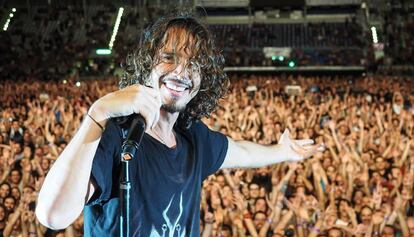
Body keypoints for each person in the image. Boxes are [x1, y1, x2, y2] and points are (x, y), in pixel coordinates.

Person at [35, 12, 321, 236]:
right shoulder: (117, 135)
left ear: (202, 81)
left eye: (194, 64)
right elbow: (53, 215)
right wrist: (96, 115)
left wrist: (283, 151)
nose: (181, 72)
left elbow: (242, 152)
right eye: (169, 58)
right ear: (146, 65)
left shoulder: (193, 139)